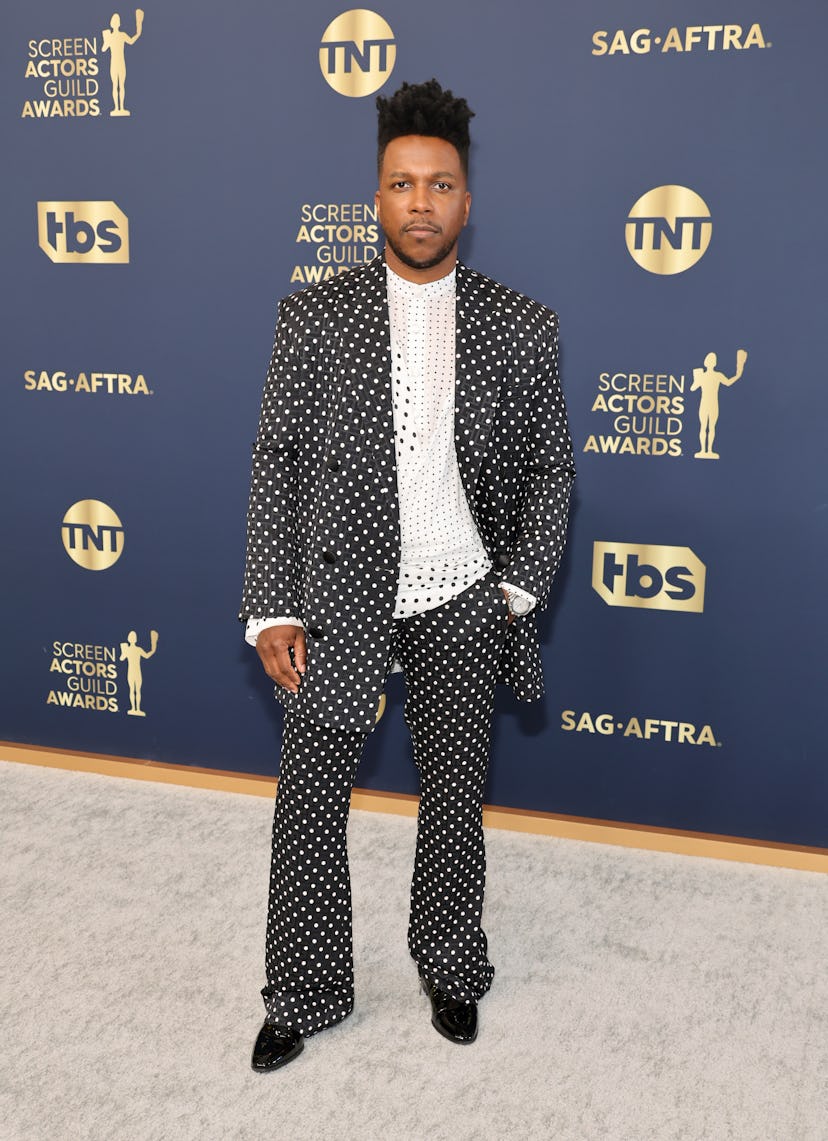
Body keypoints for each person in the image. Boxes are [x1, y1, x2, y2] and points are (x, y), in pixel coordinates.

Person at [240, 79, 575, 1072]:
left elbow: (554, 470)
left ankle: (452, 966)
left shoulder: (523, 326)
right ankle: (303, 988)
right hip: (339, 597)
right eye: (401, 183)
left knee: (454, 797)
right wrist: (269, 603)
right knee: (308, 802)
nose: (421, 202)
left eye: (441, 184)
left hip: (465, 598)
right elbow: (277, 459)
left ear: (467, 202)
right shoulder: (313, 316)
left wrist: (515, 588)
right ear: (375, 199)